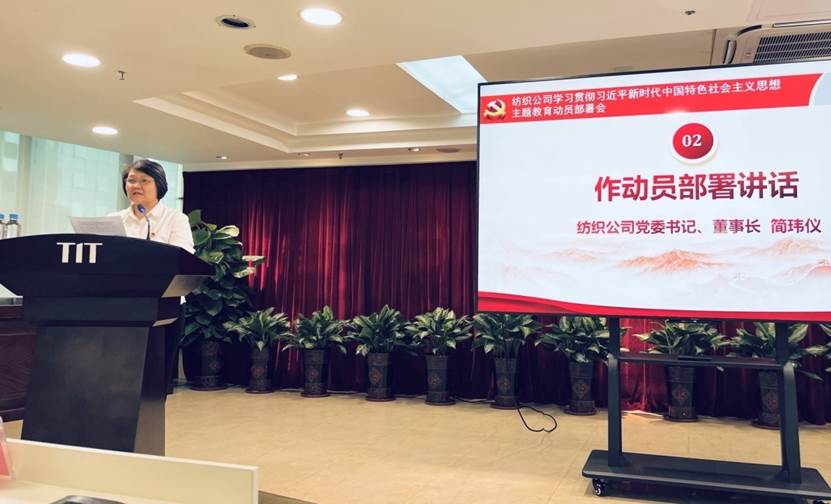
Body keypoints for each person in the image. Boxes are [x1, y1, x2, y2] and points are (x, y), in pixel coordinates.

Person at [112, 159, 194, 395]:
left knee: (156, 379)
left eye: (144, 181)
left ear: (159, 185)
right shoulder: (114, 219)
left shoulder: (176, 219)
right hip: (120, 304)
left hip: (164, 304)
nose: (136, 186)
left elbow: (182, 257)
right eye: (131, 180)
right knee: (119, 374)